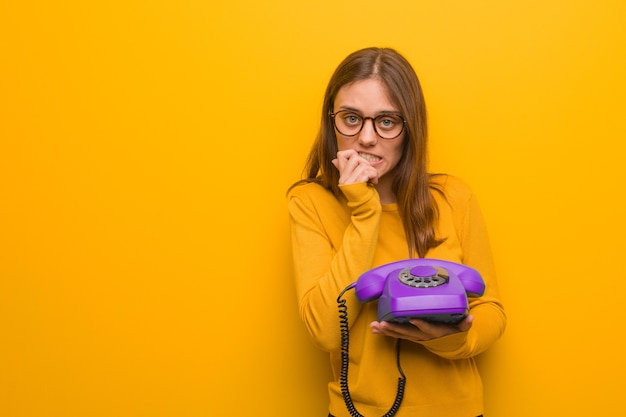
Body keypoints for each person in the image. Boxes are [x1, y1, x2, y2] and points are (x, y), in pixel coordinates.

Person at [287, 47, 506, 417]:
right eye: (351, 118)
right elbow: (325, 330)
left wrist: (450, 338)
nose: (367, 138)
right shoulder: (310, 202)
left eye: (387, 121)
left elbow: (492, 313)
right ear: (332, 121)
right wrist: (364, 211)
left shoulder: (454, 198)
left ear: (410, 127)